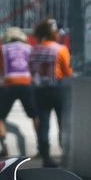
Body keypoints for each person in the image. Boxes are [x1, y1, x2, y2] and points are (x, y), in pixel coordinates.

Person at [30, 18, 73, 166]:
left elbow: (31, 69)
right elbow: (68, 71)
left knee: (44, 123)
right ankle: (65, 152)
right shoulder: (61, 49)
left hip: (39, 90)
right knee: (63, 122)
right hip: (57, 89)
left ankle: (46, 156)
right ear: (53, 33)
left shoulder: (35, 49)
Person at [0, 26, 37, 157]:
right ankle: (41, 146)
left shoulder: (2, 49)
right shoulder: (30, 48)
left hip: (9, 84)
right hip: (27, 83)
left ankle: (4, 147)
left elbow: (0, 70)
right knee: (35, 114)